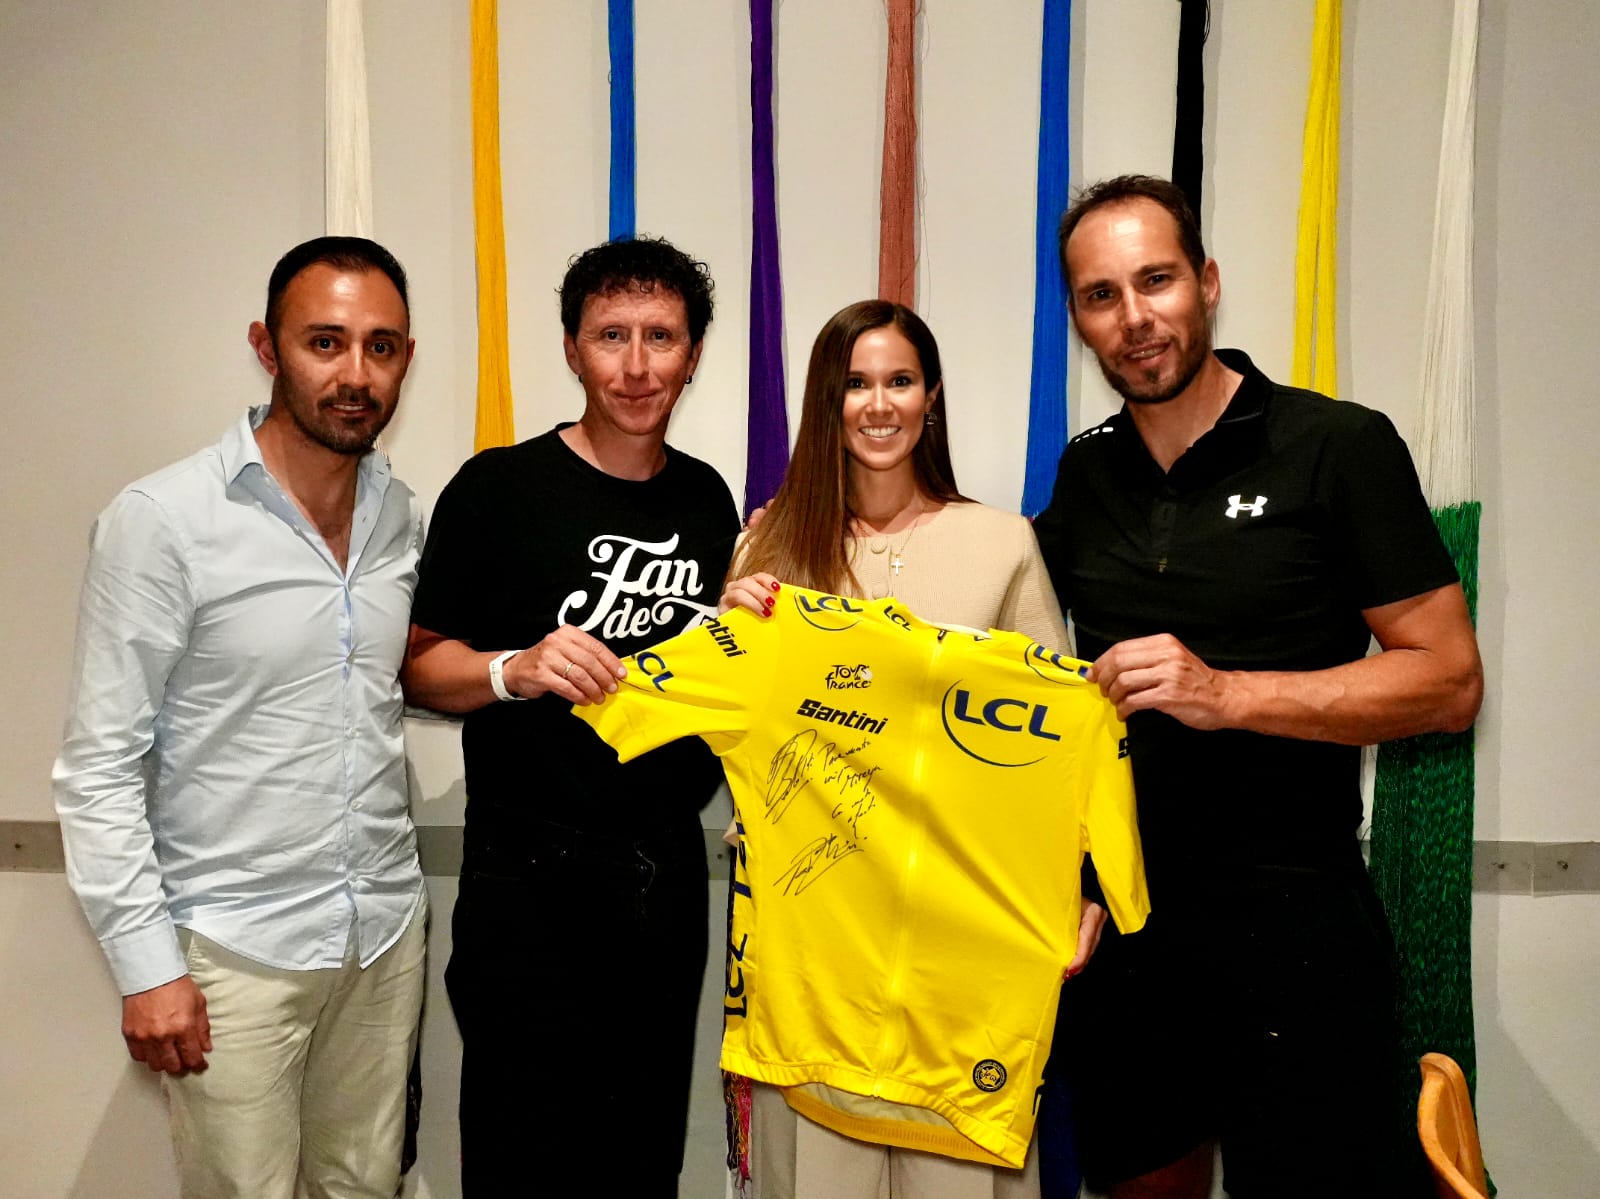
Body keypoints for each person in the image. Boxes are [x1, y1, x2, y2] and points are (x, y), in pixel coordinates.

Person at [1033, 175, 1484, 1199]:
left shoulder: (1338, 446)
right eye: (1101, 294)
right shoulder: (1085, 474)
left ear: (1207, 282)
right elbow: (976, 633)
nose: (1134, 316)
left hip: (1297, 926)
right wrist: (788, 574)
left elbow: (1449, 679)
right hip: (1130, 936)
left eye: (1155, 280)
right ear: (1079, 319)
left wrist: (1227, 693)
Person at [52, 236, 429, 1199]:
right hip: (234, 951)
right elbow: (99, 767)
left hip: (381, 938)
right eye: (325, 342)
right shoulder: (163, 520)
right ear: (267, 347)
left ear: (406, 360)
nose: (355, 374)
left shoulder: (401, 516)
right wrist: (147, 967)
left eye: (381, 347)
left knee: (365, 1189)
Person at [721, 300, 1108, 1199]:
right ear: (826, 401)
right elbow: (731, 741)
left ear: (931, 397)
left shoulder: (1003, 542)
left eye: (899, 380)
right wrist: (731, 637)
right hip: (813, 952)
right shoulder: (767, 548)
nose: (878, 403)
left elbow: (1058, 744)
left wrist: (1080, 886)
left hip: (962, 953)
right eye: (855, 383)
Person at [401, 236, 739, 1195]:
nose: (636, 366)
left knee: (642, 1160)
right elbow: (416, 667)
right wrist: (515, 669)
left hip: (662, 874)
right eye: (611, 335)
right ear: (570, 349)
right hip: (526, 879)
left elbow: (727, 679)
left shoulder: (707, 499)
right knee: (521, 1160)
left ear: (693, 355)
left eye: (660, 337)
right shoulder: (497, 488)